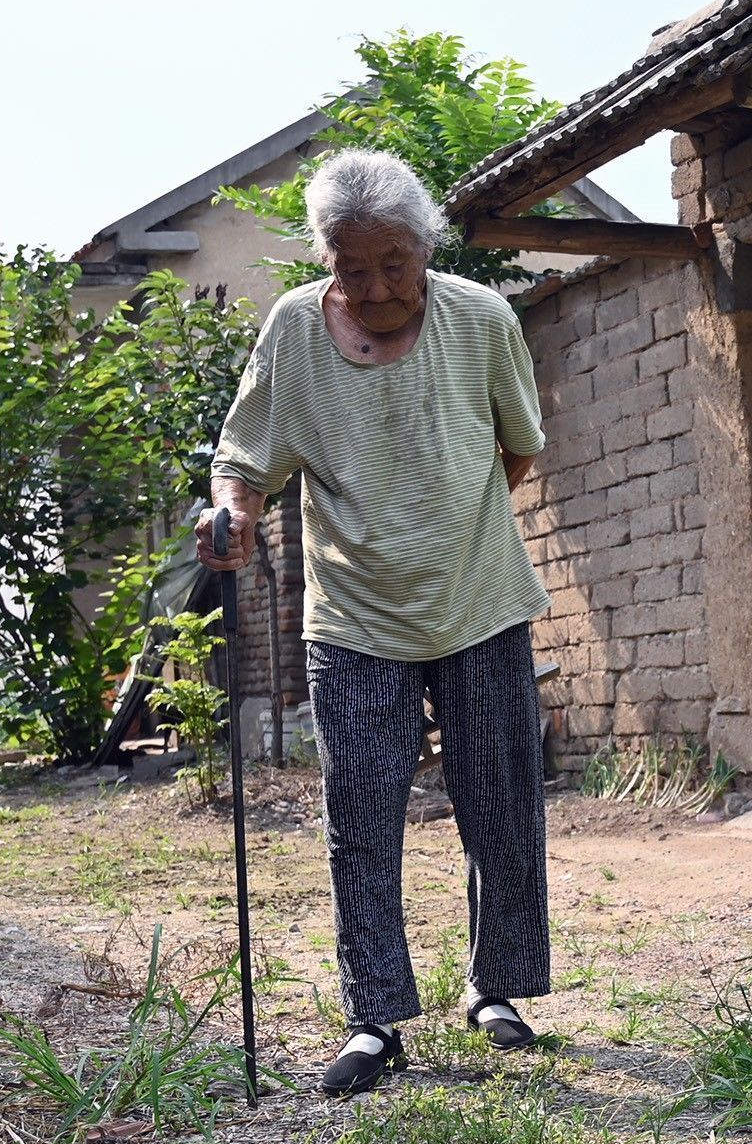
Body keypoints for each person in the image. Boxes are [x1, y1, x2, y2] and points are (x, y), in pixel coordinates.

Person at [198, 148, 551, 1096]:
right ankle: (375, 1016)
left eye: (395, 261)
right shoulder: (294, 331)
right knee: (359, 813)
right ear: (328, 259)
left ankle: (498, 990)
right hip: (351, 613)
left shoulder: (481, 319)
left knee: (500, 800)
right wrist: (234, 511)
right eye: (353, 267)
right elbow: (248, 456)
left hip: (478, 595)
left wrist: (451, 527)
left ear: (425, 247)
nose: (376, 285)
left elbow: (518, 447)